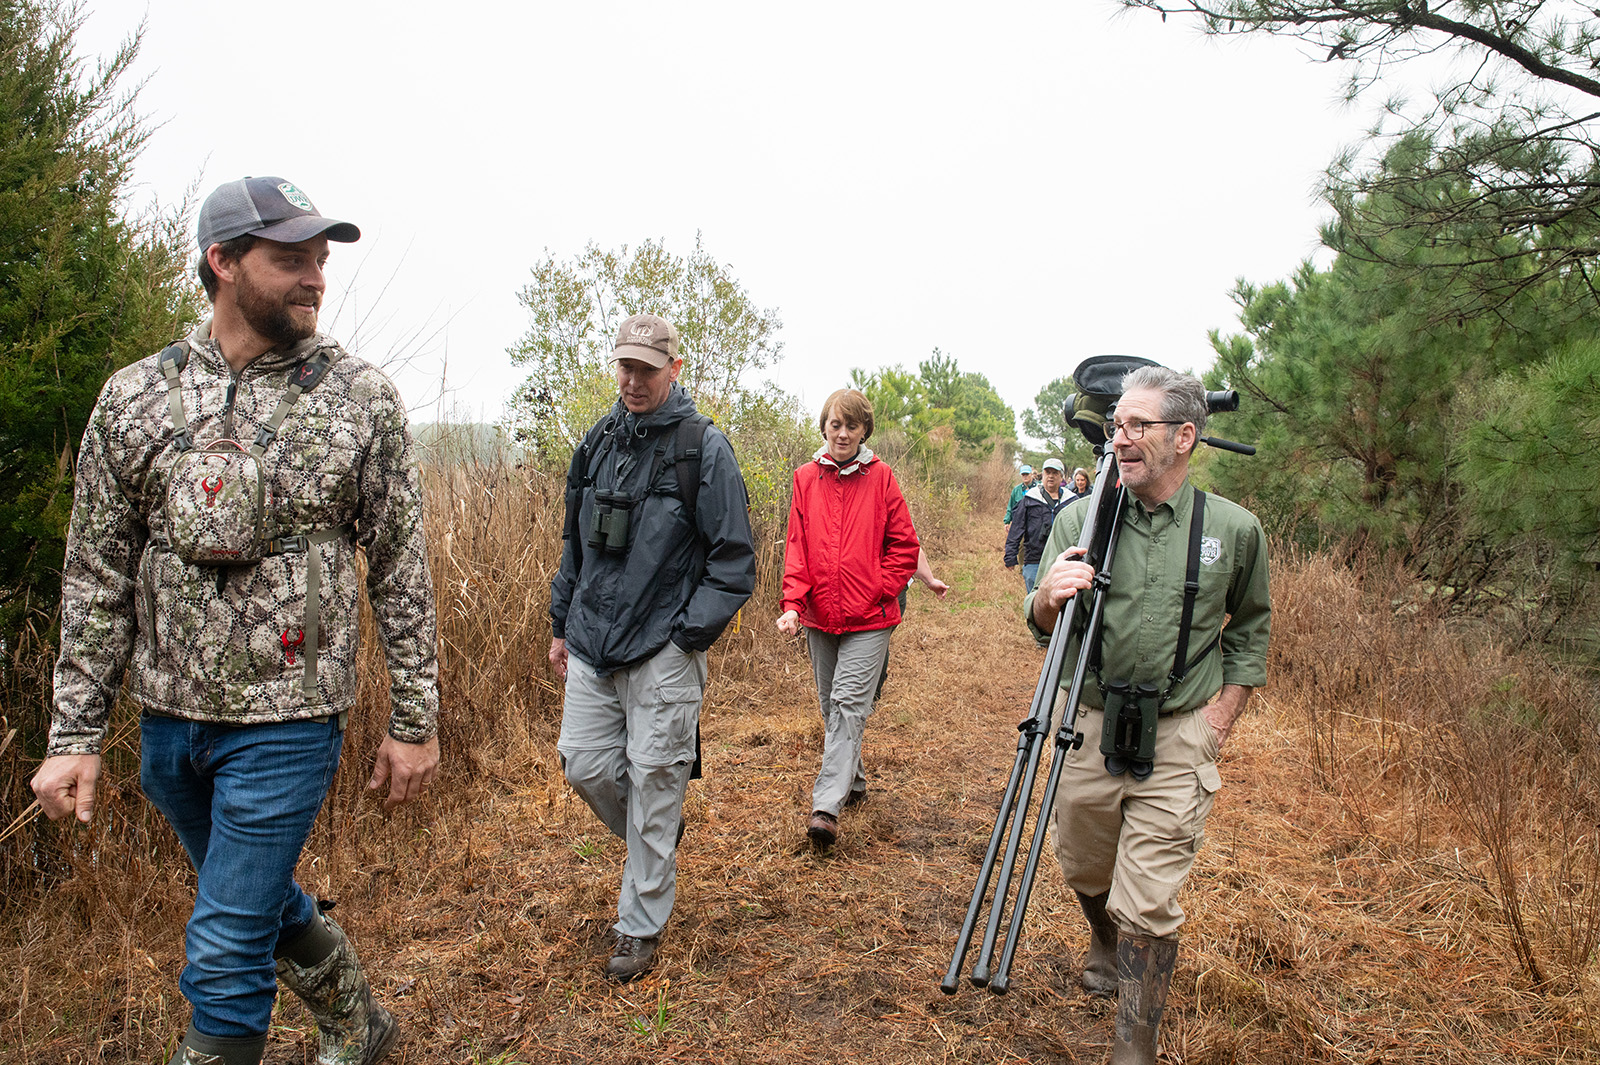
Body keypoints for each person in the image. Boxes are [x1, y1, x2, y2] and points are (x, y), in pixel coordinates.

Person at [30, 176, 439, 1065]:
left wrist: (414, 720)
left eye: (320, 261)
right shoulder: (135, 398)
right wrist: (75, 732)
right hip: (171, 723)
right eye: (290, 259)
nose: (315, 279)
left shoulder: (360, 399)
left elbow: (403, 568)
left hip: (291, 719)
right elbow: (96, 575)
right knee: (253, 898)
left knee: (222, 945)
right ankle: (361, 1025)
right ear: (222, 263)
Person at [1026, 366, 1270, 1065]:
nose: (1120, 439)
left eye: (1138, 426)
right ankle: (1102, 934)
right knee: (1082, 862)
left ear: (1185, 437)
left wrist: (1221, 716)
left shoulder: (1234, 529)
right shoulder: (1080, 518)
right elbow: (1039, 622)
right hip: (1090, 719)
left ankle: (1134, 1048)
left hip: (1181, 731)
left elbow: (1251, 627)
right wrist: (1047, 596)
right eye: (1116, 427)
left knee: (1150, 901)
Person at [548, 312, 755, 983]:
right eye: (625, 366)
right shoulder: (597, 442)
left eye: (647, 367)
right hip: (591, 641)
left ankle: (639, 923)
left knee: (657, 776)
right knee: (582, 763)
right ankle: (656, 837)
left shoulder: (704, 449)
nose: (633, 380)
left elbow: (733, 561)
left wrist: (684, 636)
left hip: (662, 648)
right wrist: (560, 623)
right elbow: (574, 544)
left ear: (675, 367)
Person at [777, 389, 920, 847]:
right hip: (820, 616)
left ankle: (826, 806)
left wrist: (879, 588)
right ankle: (853, 784)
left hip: (871, 618)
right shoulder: (804, 478)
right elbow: (797, 546)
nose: (842, 433)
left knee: (846, 705)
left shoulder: (881, 478)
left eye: (851, 426)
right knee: (830, 707)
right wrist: (794, 606)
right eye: (835, 425)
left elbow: (905, 548)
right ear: (824, 427)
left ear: (864, 432)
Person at [1004, 457, 1070, 592]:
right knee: (1036, 601)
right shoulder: (1029, 499)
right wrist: (1010, 555)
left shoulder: (1071, 500)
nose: (1051, 477)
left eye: (1055, 473)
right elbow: (1017, 527)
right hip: (1034, 559)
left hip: (1062, 560)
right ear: (1042, 475)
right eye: (1048, 473)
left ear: (1061, 477)